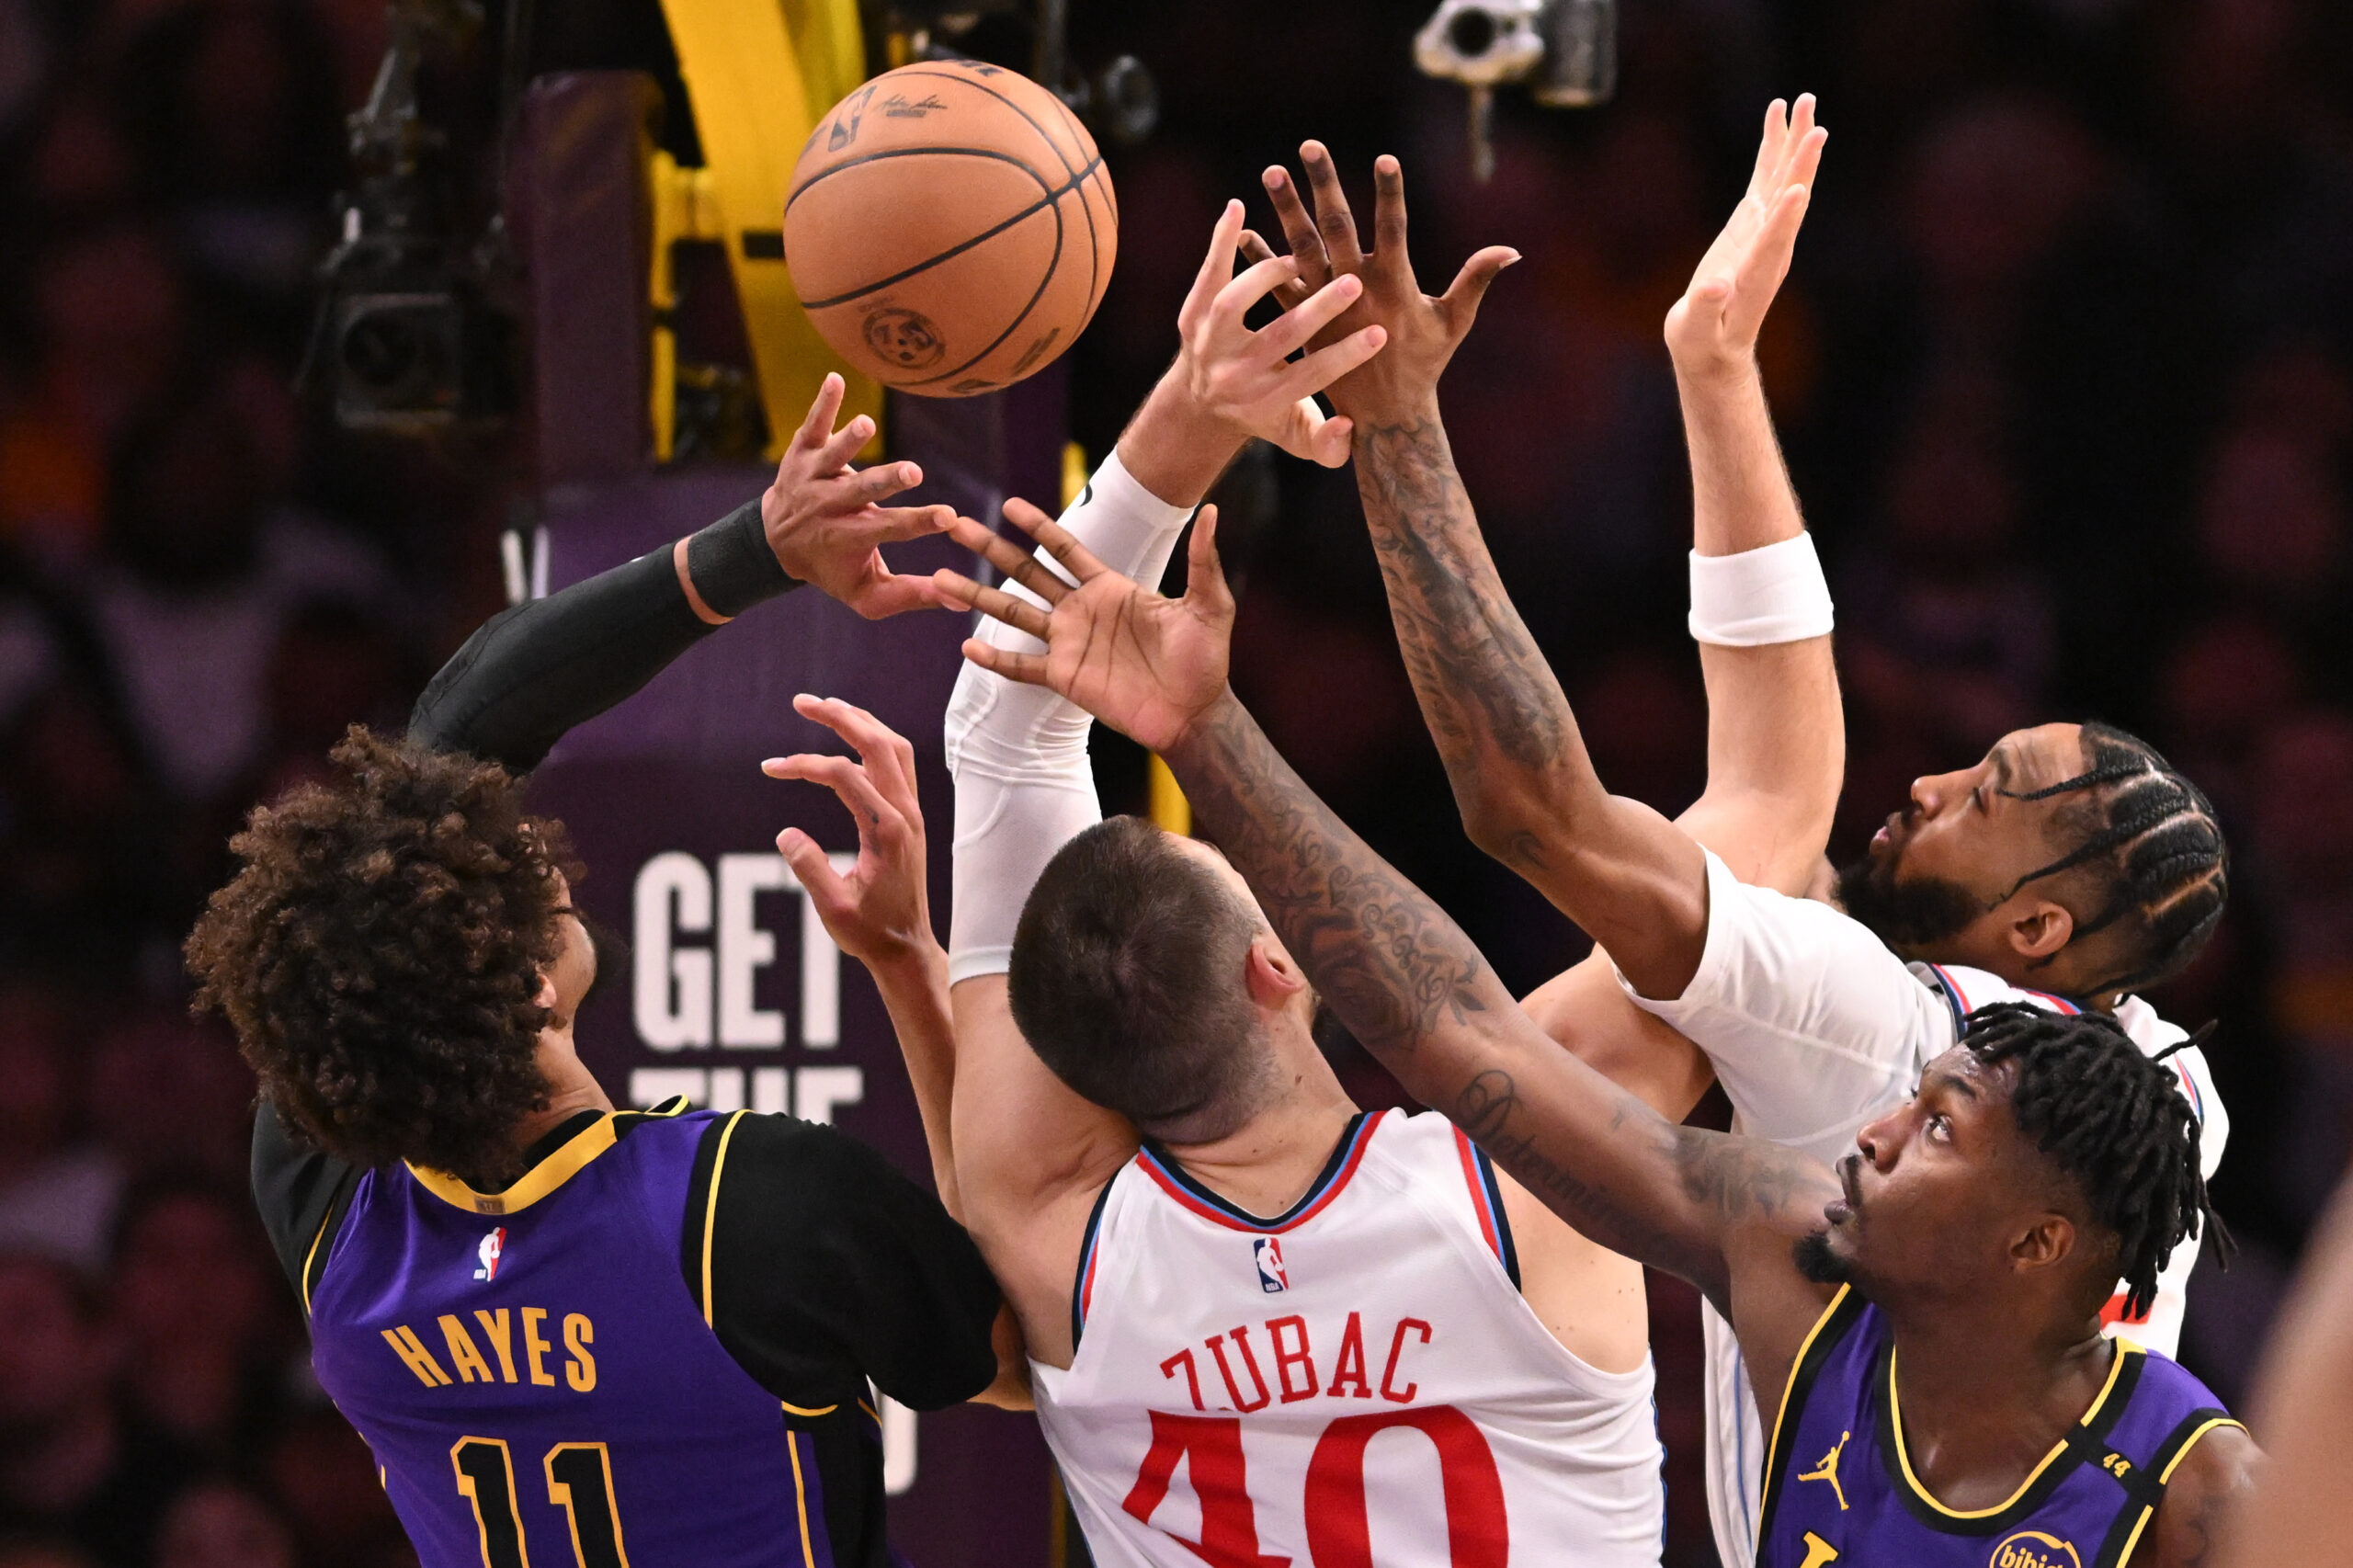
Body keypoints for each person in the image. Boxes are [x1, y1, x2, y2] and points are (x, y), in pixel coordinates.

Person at [927, 482, 2261, 1568]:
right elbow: (1460, 1033)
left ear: (2037, 1237)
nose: (1881, 1129)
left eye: (1934, 1125)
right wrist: (1207, 739)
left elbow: (1601, 823)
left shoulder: (2187, 1489)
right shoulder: (1791, 1254)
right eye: (1918, 1099)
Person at [1253, 104, 2231, 1568]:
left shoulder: (1882, 1035)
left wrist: (1397, 433)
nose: (1934, 784)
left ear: (2038, 933)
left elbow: (1545, 815)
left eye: (1989, 791)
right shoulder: (2165, 1091)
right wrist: (1715, 364)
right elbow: (1785, 780)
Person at [936, 200, 1682, 1567]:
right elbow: (1755, 830)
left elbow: (1002, 730)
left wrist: (1179, 427)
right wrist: (1198, 406)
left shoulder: (1055, 1240)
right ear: (1275, 965)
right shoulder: (1529, 1181)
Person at [184, 377, 1015, 1568]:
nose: (522, 835)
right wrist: (905, 962)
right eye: (504, 873)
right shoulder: (748, 1206)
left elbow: (460, 734)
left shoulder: (332, 1220)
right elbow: (1031, 1358)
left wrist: (756, 548)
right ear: (530, 993)